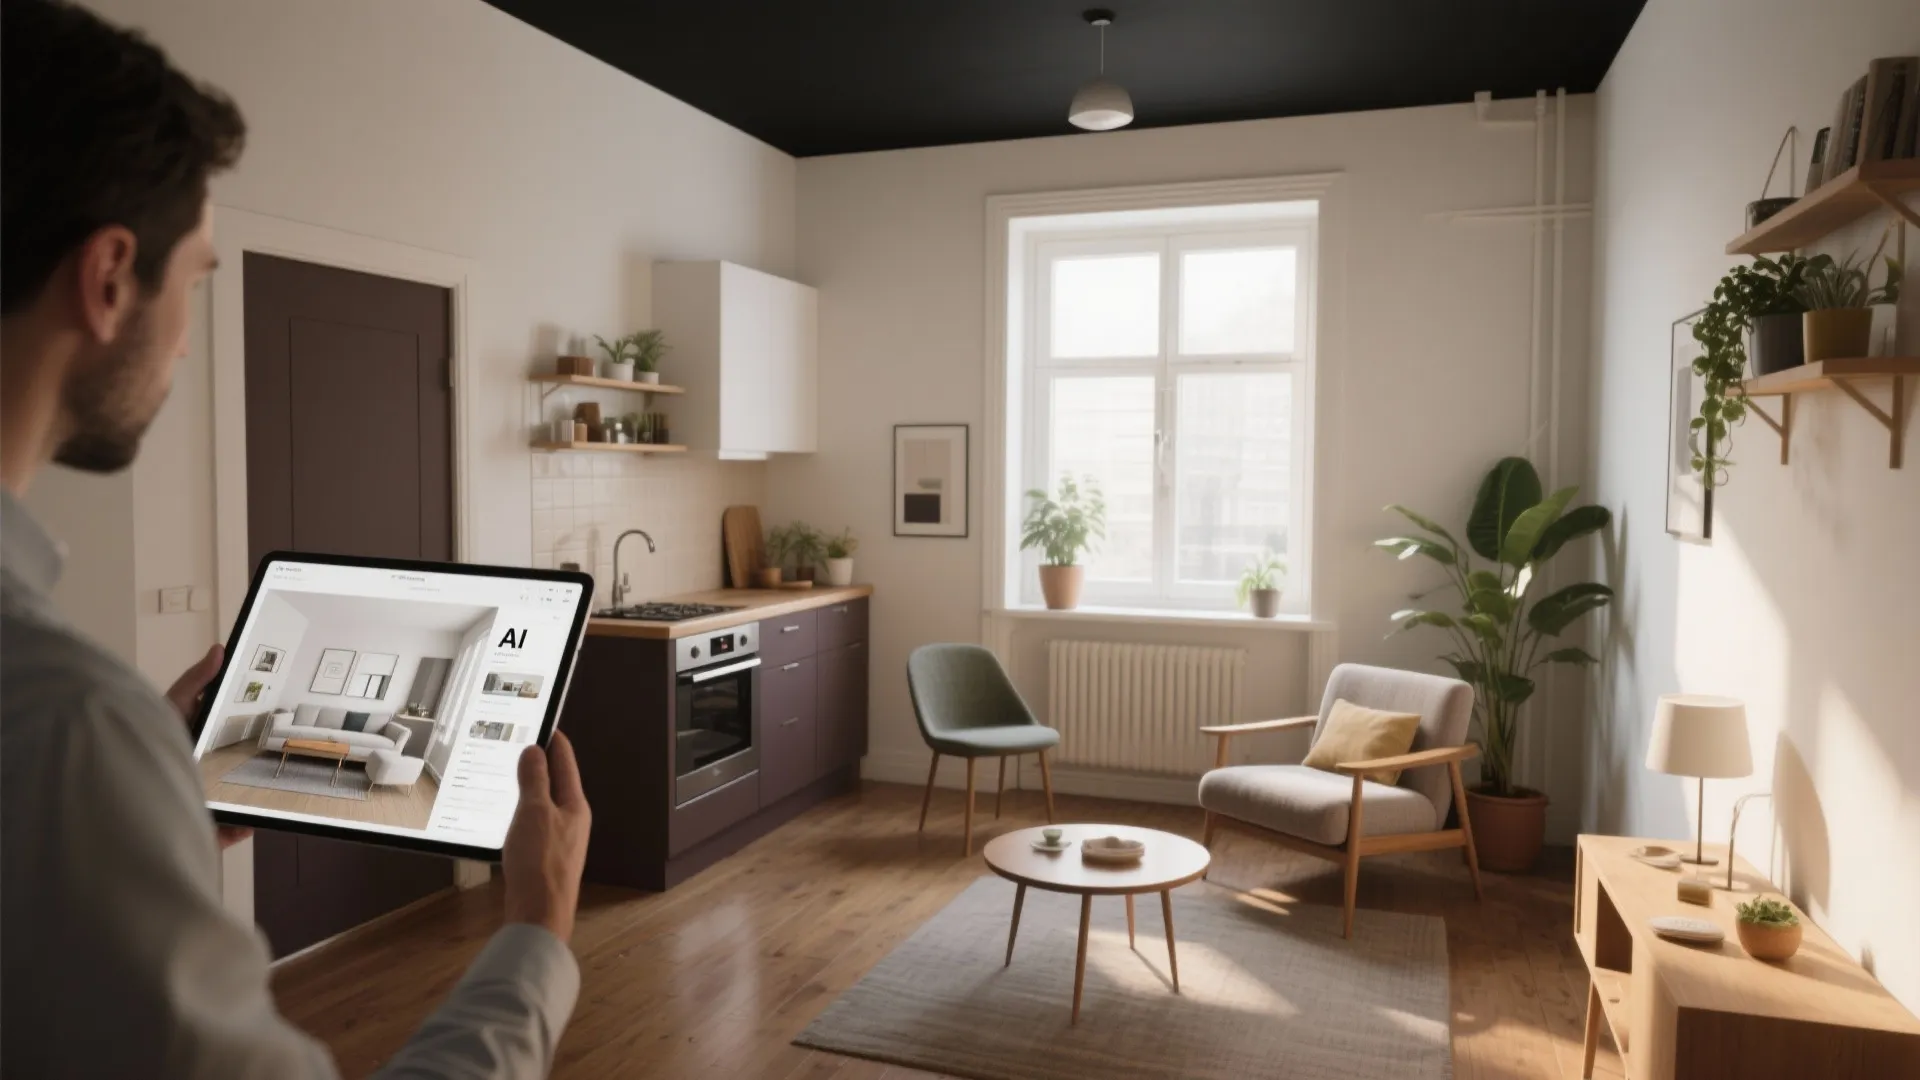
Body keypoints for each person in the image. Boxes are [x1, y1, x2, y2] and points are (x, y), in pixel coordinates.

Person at [0, 2, 592, 1075]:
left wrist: (155, 801)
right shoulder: (70, 725)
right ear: (108, 278)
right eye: (197, 283)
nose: (183, 342)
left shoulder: (74, 737)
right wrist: (537, 931)